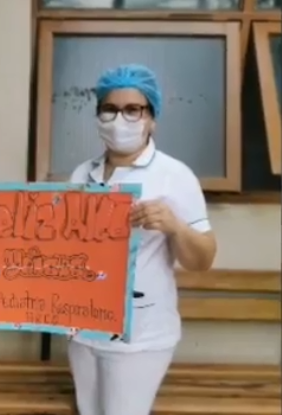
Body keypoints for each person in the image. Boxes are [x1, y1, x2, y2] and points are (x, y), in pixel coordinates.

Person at [67, 64, 217, 415]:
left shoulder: (174, 175)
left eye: (134, 109)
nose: (120, 119)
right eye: (110, 108)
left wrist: (175, 226)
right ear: (98, 115)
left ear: (152, 118)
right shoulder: (81, 173)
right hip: (82, 329)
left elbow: (203, 260)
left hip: (142, 335)